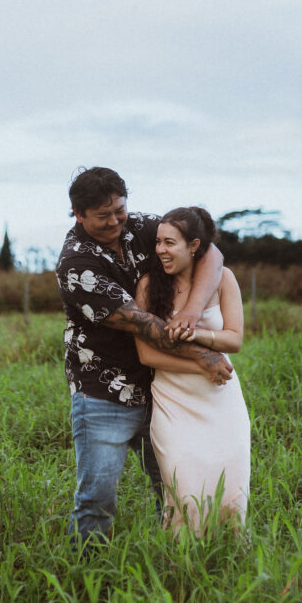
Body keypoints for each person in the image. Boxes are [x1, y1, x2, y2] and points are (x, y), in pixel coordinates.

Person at [55, 167, 233, 550]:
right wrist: (201, 353)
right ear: (78, 213)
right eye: (103, 216)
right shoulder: (76, 264)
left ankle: (175, 561)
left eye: (120, 209)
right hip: (102, 391)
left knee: (173, 486)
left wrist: (192, 310)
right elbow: (141, 323)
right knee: (97, 497)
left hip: (160, 386)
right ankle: (87, 574)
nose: (116, 221)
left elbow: (210, 252)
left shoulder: (142, 226)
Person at [134, 207, 250, 534]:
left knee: (230, 496)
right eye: (158, 242)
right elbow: (146, 354)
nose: (160, 250)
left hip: (221, 401)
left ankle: (227, 566)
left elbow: (235, 339)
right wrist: (200, 361)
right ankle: (180, 571)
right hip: (174, 404)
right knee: (185, 495)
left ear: (194, 245)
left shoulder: (223, 278)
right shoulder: (147, 287)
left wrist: (194, 332)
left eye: (169, 243)